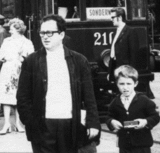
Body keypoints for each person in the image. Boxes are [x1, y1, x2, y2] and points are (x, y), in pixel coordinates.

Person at [17, 14, 101, 153]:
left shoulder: (79, 61)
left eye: (50, 33)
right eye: (42, 33)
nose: (45, 36)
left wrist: (93, 123)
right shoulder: (31, 61)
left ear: (61, 34)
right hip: (43, 127)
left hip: (70, 125)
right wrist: (31, 122)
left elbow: (89, 96)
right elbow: (22, 97)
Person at [106, 65, 160, 153]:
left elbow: (155, 117)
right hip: (124, 145)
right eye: (121, 84)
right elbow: (109, 116)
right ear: (117, 84)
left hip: (142, 145)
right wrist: (112, 122)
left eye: (129, 84)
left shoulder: (143, 100)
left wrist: (145, 122)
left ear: (135, 84)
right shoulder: (115, 102)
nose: (125, 87)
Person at [0, 18, 34, 134]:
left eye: (12, 28)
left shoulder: (26, 42)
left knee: (18, 96)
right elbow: (0, 54)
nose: (10, 30)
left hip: (20, 71)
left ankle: (18, 123)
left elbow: (31, 56)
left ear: (18, 29)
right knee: (6, 96)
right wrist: (6, 58)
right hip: (7, 70)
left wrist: (22, 59)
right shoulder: (7, 41)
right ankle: (7, 123)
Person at [108, 7, 139, 83]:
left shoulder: (130, 31)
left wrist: (131, 74)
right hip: (116, 68)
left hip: (125, 71)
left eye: (113, 17)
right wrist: (110, 72)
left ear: (120, 17)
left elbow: (134, 54)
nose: (111, 19)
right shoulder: (116, 31)